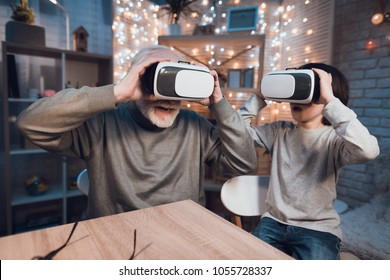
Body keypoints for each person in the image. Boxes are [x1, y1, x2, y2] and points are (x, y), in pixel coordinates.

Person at [16, 45, 257, 219]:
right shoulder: (101, 122)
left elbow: (243, 166)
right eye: (155, 77)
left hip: (184, 231)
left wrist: (220, 103)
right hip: (116, 236)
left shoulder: (193, 124)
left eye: (174, 80)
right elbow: (30, 124)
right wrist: (117, 93)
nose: (167, 97)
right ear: (134, 78)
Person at [239, 63, 380, 260]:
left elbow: (369, 150)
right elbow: (235, 131)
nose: (300, 100)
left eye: (310, 93)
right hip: (274, 222)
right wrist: (258, 97)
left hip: (318, 228)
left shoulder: (334, 140)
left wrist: (330, 100)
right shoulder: (279, 132)